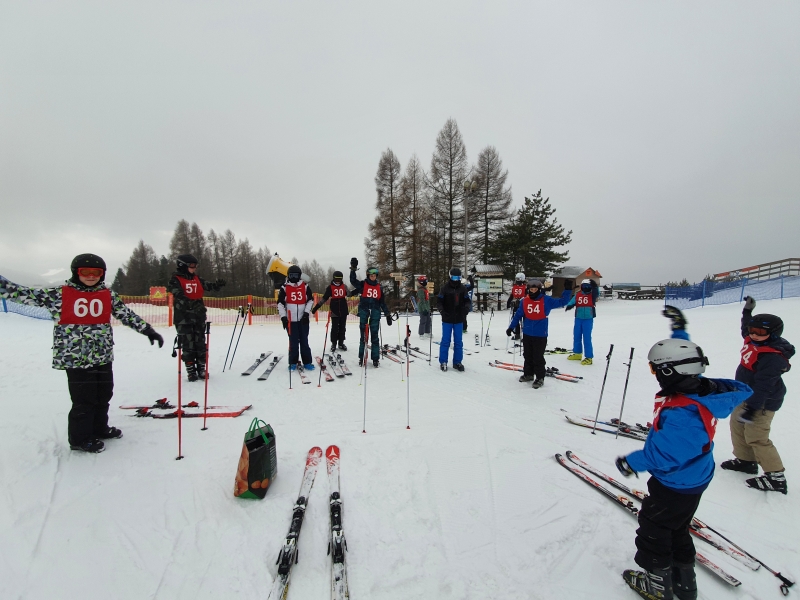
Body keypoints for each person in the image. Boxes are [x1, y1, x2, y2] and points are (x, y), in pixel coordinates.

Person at [617, 306, 750, 600]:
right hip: (693, 478)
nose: (653, 374)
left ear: (668, 372)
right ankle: (685, 585)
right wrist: (679, 329)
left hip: (674, 483)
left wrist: (631, 462)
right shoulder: (699, 389)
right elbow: (685, 355)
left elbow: (665, 456)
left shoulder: (682, 414)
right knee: (677, 528)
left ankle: (658, 586)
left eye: (655, 369)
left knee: (654, 531)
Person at [0, 254, 164, 453]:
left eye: (96, 272)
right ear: (76, 272)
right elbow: (21, 293)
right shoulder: (60, 294)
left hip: (102, 354)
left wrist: (147, 330)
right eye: (85, 272)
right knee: (84, 399)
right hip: (75, 358)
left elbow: (125, 314)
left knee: (104, 394)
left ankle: (99, 428)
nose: (91, 276)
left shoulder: (107, 294)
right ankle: (80, 438)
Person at [720, 296, 793, 494]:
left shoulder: (772, 357)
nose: (753, 334)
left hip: (763, 401)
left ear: (773, 334)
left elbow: (764, 385)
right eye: (753, 330)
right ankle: (746, 461)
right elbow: (745, 327)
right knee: (737, 427)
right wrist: (747, 312)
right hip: (744, 394)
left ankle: (776, 476)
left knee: (757, 437)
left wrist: (753, 408)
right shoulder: (753, 339)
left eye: (760, 332)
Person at [168, 254, 226, 381]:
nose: (194, 268)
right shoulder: (175, 280)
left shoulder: (196, 278)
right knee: (188, 344)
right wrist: (193, 304)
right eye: (192, 266)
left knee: (200, 343)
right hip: (184, 318)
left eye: (195, 266)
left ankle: (201, 368)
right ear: (183, 265)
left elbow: (207, 285)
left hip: (198, 316)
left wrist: (216, 285)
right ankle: (191, 370)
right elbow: (179, 295)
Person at [505, 279, 571, 388]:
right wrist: (511, 327)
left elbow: (562, 302)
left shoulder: (546, 300)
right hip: (527, 333)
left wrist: (567, 290)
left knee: (538, 357)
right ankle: (529, 374)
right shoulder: (524, 301)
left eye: (535, 289)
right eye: (531, 289)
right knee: (527, 355)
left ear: (539, 289)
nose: (533, 291)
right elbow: (518, 315)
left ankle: (540, 377)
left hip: (540, 334)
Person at [349, 258, 392, 367]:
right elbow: (353, 281)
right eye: (371, 275)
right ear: (368, 275)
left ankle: (375, 358)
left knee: (375, 337)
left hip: (375, 313)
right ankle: (361, 357)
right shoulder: (363, 284)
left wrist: (387, 314)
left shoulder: (379, 287)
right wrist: (353, 269)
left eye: (375, 275)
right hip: (364, 311)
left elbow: (382, 302)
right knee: (363, 336)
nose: (373, 277)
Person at [277, 265, 315, 371]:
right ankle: (293, 362)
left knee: (304, 341)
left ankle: (307, 362)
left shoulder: (305, 286)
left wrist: (306, 313)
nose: (294, 277)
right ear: (288, 276)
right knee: (293, 342)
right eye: (291, 275)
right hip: (291, 320)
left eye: (296, 275)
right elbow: (280, 303)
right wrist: (284, 317)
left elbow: (310, 300)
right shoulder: (285, 287)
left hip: (303, 320)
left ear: (299, 275)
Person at [437, 267, 470, 372]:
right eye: (454, 277)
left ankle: (457, 362)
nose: (456, 280)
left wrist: (466, 309)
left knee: (458, 342)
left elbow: (467, 301)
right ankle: (443, 361)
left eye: (458, 278)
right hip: (447, 318)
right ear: (450, 276)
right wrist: (442, 311)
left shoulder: (462, 289)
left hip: (459, 319)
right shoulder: (445, 288)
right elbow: (439, 302)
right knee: (446, 341)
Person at [311, 270, 350, 352]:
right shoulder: (330, 287)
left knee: (342, 327)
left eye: (340, 279)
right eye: (336, 279)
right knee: (335, 328)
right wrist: (316, 307)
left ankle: (341, 343)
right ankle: (334, 343)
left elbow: (349, 294)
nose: (338, 281)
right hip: (334, 310)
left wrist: (359, 290)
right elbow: (324, 298)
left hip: (343, 310)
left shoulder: (344, 286)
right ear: (333, 279)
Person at [565, 278, 599, 365]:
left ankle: (589, 357)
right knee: (576, 335)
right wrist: (569, 305)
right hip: (578, 318)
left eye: (588, 286)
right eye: (584, 286)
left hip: (588, 319)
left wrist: (595, 286)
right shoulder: (578, 294)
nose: (586, 288)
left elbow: (596, 292)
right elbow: (573, 301)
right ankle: (577, 353)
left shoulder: (592, 295)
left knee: (587, 337)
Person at [506, 272, 526, 340]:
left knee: (524, 321)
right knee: (515, 320)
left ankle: (525, 335)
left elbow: (527, 296)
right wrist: (508, 302)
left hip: (524, 306)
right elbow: (512, 295)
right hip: (516, 306)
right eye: (516, 279)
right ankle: (517, 334)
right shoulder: (514, 287)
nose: (517, 281)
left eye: (518, 279)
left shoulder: (525, 287)